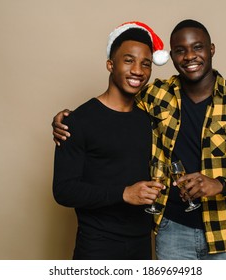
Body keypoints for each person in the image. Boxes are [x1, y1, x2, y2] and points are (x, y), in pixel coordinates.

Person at [52, 19, 226, 260]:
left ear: (211, 49)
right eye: (180, 51)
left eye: (198, 47)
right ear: (172, 56)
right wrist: (67, 119)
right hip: (172, 233)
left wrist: (220, 184)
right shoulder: (157, 95)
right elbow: (112, 106)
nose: (190, 56)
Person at [52, 21, 170, 260]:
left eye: (145, 64)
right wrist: (124, 194)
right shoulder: (77, 121)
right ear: (110, 64)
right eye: (129, 60)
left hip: (141, 245)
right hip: (97, 247)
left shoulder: (148, 120)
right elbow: (63, 190)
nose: (138, 70)